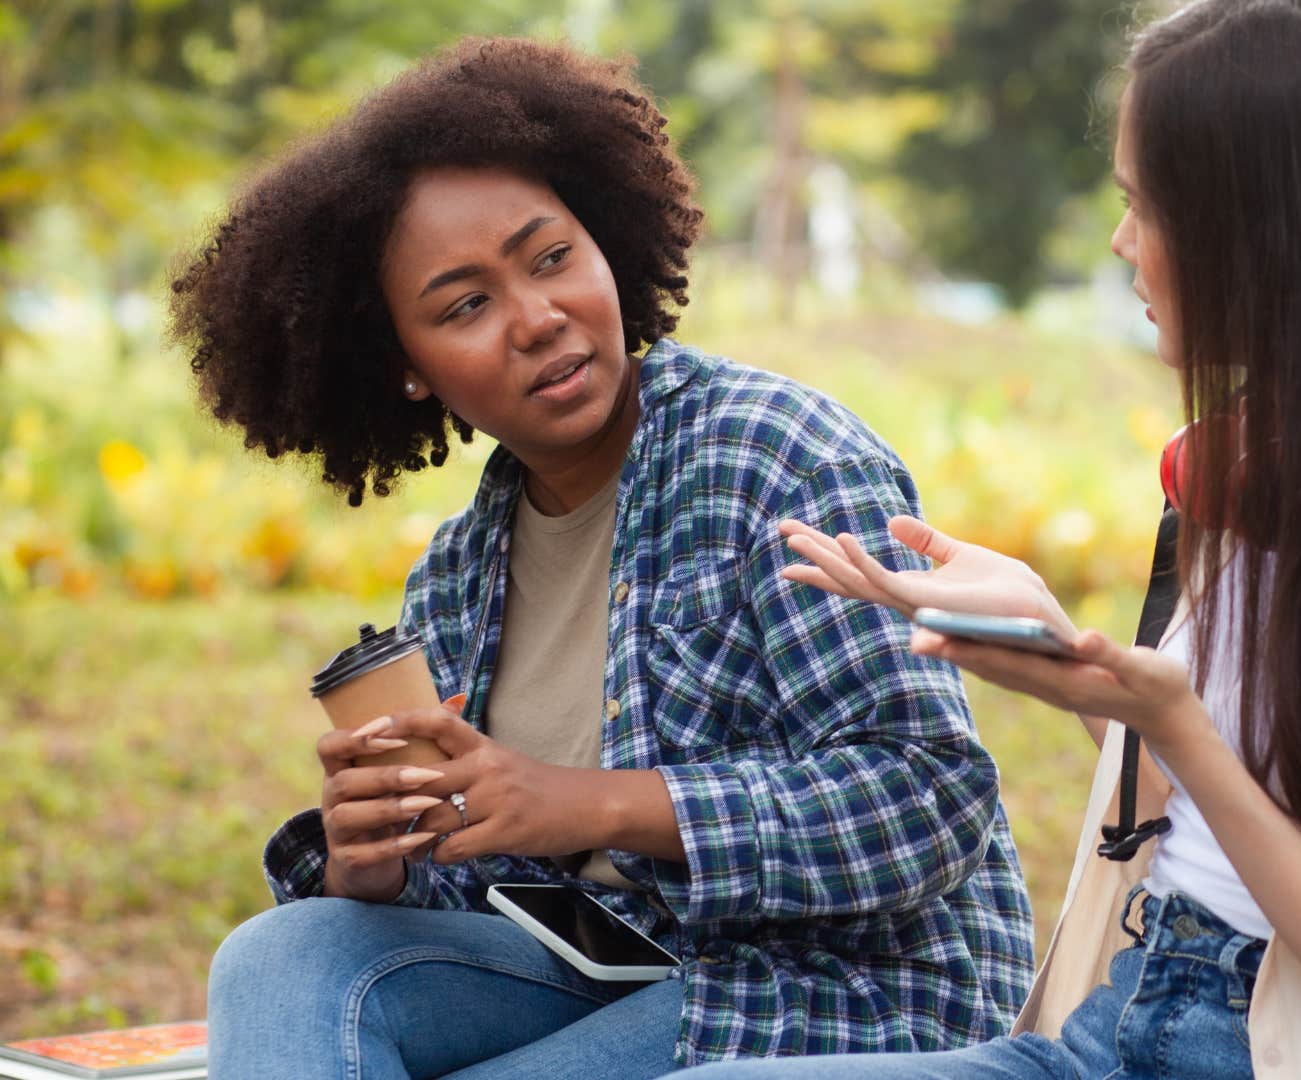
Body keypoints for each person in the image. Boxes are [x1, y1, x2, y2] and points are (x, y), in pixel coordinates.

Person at [681, 0, 1301, 1077]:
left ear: (1272, 229)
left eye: (1147, 205)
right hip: (1123, 1013)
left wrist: (1174, 727)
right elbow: (1218, 821)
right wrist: (1067, 657)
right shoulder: (1270, 462)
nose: (1123, 241)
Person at [172, 37, 1032, 1078]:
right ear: (404, 368)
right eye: (465, 305)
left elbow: (926, 801)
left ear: (607, 242)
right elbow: (504, 888)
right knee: (284, 956)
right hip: (605, 976)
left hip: (830, 995)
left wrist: (599, 801)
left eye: (550, 258)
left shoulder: (777, 459)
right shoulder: (458, 576)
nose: (538, 319)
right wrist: (382, 874)